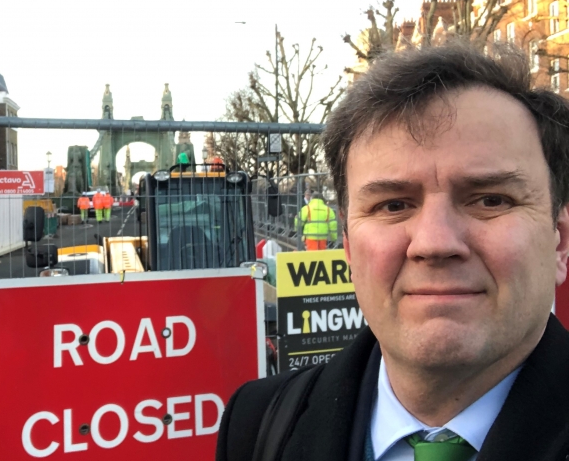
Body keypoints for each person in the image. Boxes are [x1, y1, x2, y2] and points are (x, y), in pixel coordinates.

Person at [216, 44, 569, 461]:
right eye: (393, 205)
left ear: (559, 241)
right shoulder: (256, 424)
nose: (434, 243)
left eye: (490, 200)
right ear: (348, 247)